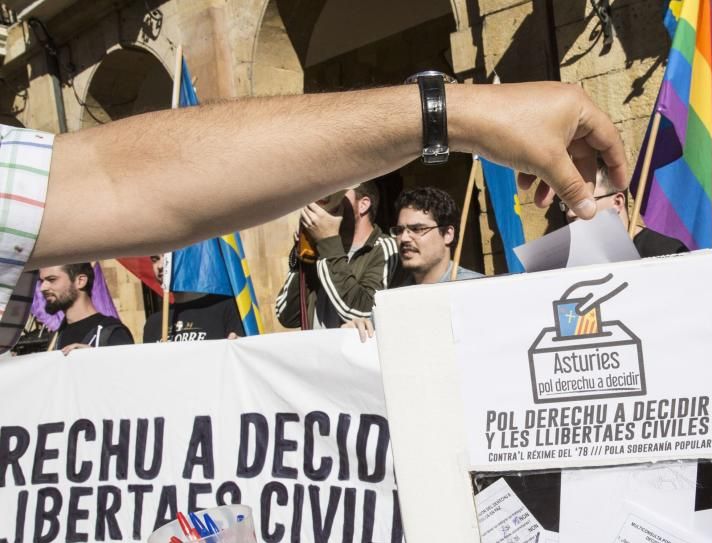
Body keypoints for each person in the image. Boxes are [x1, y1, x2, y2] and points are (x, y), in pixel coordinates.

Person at [0, 82, 628, 356]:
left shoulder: (381, 253)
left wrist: (452, 114)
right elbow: (284, 311)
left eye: (331, 198)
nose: (317, 208)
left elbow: (120, 182)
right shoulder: (316, 249)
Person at [343, 186, 482, 341]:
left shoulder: (478, 291)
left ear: (448, 234)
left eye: (417, 229)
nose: (405, 238)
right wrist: (358, 330)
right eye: (400, 230)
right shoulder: (392, 302)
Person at [275, 182, 397, 329]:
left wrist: (328, 242)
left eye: (338, 192)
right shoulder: (321, 248)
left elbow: (365, 313)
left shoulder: (384, 248)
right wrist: (306, 252)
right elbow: (287, 316)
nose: (327, 199)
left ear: (363, 205)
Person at [560, 159, 688, 257]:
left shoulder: (668, 254)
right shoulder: (571, 259)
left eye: (583, 202)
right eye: (566, 204)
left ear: (617, 202)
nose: (570, 213)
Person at [142, 254, 244, 342]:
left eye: (168, 257)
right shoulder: (153, 323)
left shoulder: (226, 308)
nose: (160, 266)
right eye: (155, 259)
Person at [39, 263, 133, 353]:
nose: (42, 288)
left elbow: (126, 368)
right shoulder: (58, 335)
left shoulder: (112, 333)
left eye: (52, 279)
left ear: (80, 281)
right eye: (42, 281)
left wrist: (94, 358)